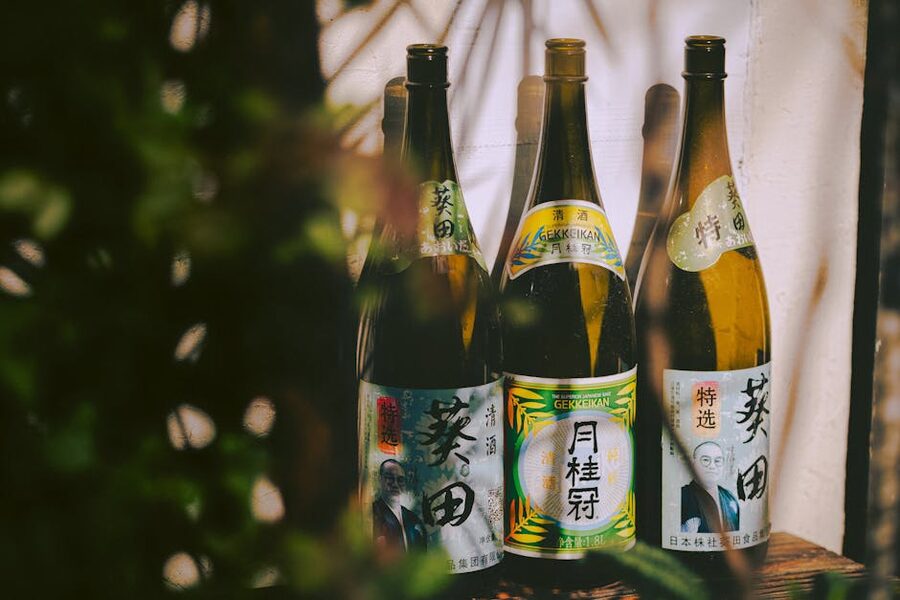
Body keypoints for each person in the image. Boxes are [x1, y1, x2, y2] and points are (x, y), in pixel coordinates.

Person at [681, 441, 740, 533]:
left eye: (717, 461)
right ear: (693, 463)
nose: (712, 466)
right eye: (705, 460)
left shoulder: (729, 497)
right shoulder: (684, 495)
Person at [372, 459, 428, 554]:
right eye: (390, 478)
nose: (395, 484)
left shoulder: (413, 519)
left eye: (400, 480)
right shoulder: (371, 513)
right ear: (380, 479)